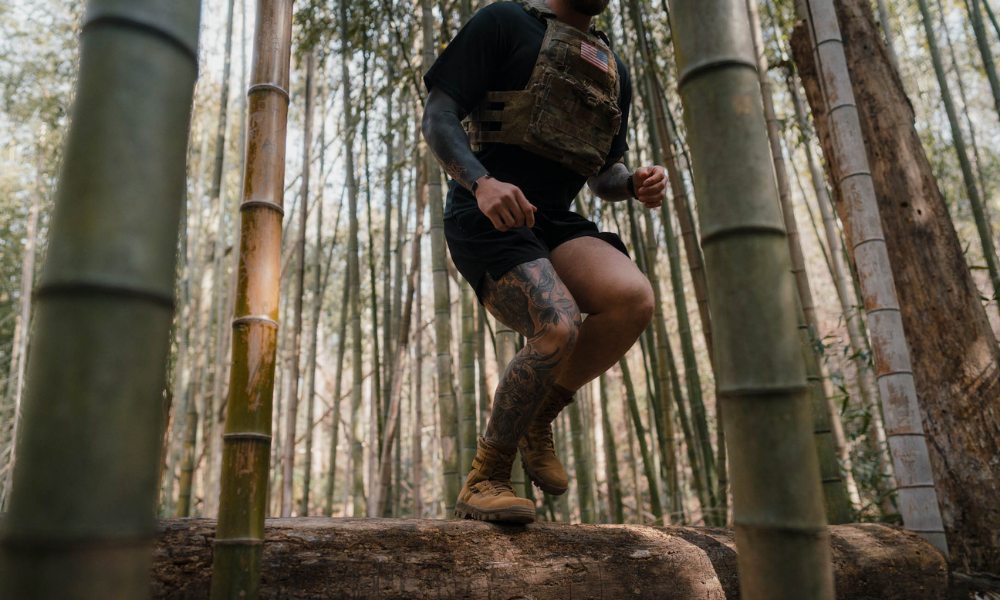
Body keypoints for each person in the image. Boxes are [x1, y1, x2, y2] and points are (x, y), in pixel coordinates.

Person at [422, 0, 667, 524]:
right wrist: (480, 182)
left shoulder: (612, 68)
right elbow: (439, 113)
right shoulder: (503, 21)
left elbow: (602, 171)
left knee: (633, 299)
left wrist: (631, 183)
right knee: (557, 326)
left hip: (553, 219)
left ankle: (536, 414)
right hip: (487, 210)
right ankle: (485, 476)